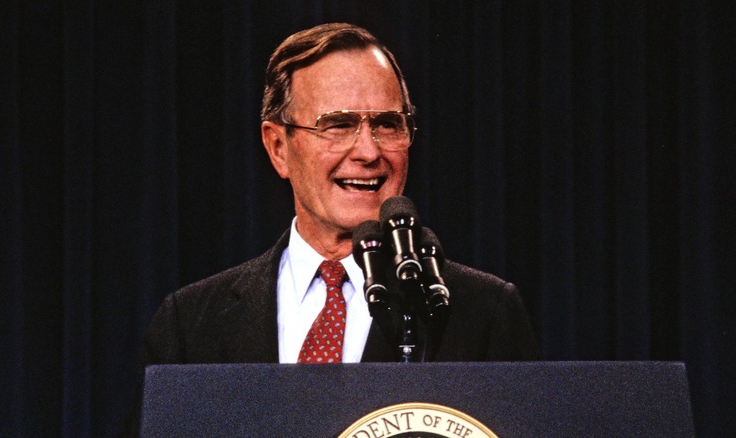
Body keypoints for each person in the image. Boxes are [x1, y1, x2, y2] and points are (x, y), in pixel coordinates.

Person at [124, 21, 539, 434]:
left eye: (387, 124)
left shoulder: (483, 313)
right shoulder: (191, 323)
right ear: (278, 148)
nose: (368, 151)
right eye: (338, 125)